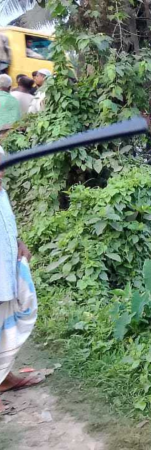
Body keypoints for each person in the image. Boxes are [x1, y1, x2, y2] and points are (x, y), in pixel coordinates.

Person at [0, 153, 41, 414]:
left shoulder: (1, 190)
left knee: (6, 322)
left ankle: (2, 378)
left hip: (4, 267)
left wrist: (18, 242)